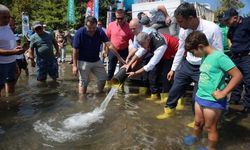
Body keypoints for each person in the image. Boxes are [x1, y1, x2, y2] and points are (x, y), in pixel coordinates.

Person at [156, 2, 223, 120]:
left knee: (196, 98)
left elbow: (219, 53)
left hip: (204, 67)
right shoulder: (183, 30)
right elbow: (180, 50)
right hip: (187, 64)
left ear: (191, 18)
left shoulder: (212, 28)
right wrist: (173, 69)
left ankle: (197, 120)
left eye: (181, 21)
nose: (179, 25)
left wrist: (218, 78)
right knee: (175, 89)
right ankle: (169, 111)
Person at [183, 31, 242, 150]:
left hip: (213, 99)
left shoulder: (220, 57)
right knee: (198, 122)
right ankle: (195, 136)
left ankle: (211, 148)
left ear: (200, 47)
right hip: (200, 96)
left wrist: (224, 93)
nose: (193, 55)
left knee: (210, 127)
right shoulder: (204, 56)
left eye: (193, 52)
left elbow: (238, 75)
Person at [72, 16, 123, 94]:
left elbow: (109, 45)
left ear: (96, 25)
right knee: (84, 82)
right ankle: (82, 100)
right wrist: (74, 66)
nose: (92, 30)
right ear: (85, 25)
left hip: (96, 60)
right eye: (89, 28)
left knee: (103, 78)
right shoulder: (79, 33)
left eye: (94, 27)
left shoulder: (99, 31)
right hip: (83, 61)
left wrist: (119, 57)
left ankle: (99, 95)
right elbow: (75, 50)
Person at [221, 8, 250, 113]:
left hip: (247, 57)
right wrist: (231, 46)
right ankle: (234, 100)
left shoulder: (247, 22)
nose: (226, 22)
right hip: (235, 57)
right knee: (235, 79)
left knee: (248, 81)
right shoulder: (232, 27)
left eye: (228, 20)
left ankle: (248, 106)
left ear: (235, 17)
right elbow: (229, 37)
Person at [0, 4, 25, 97]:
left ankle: (10, 103)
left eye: (8, 17)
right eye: (4, 17)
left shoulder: (7, 27)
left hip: (11, 62)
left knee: (11, 84)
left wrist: (14, 63)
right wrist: (14, 52)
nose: (7, 20)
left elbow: (10, 45)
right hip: (1, 64)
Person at [105, 9, 133, 87]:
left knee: (123, 69)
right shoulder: (111, 25)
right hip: (113, 51)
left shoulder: (129, 26)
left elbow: (134, 41)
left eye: (121, 18)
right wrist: (105, 51)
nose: (119, 20)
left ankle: (121, 85)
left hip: (124, 50)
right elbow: (106, 39)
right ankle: (108, 84)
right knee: (110, 68)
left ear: (124, 17)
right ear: (115, 17)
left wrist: (133, 54)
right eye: (118, 18)